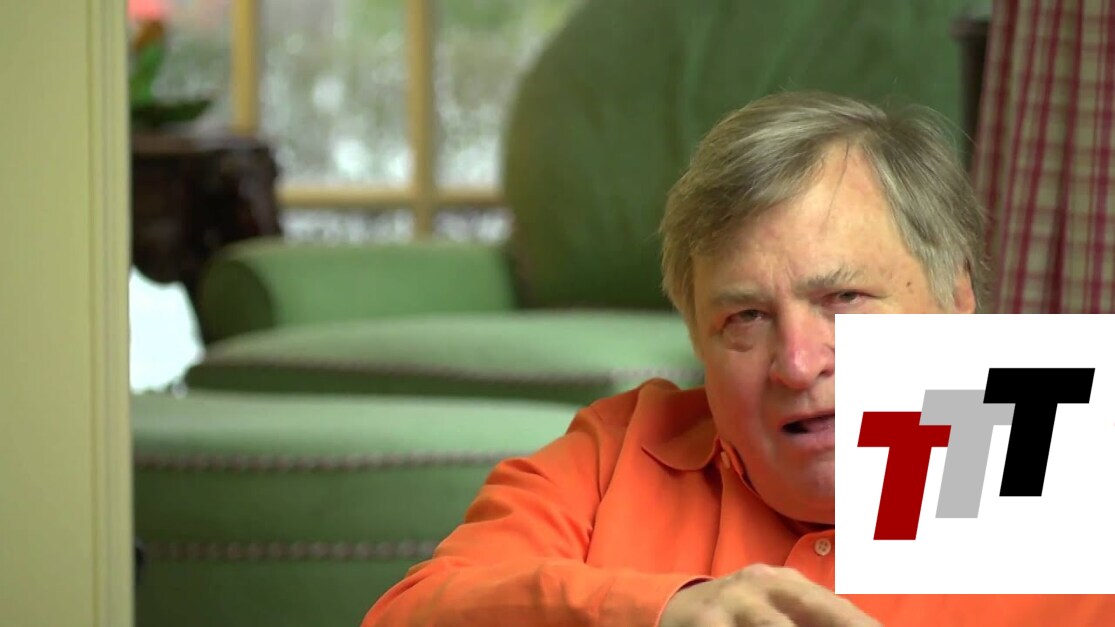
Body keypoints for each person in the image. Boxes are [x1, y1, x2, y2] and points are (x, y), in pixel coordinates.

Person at [362, 92, 1114, 626]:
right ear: (697, 338)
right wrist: (660, 612)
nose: (797, 363)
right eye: (745, 317)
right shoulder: (615, 453)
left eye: (844, 297)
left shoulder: (1074, 461)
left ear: (956, 299)